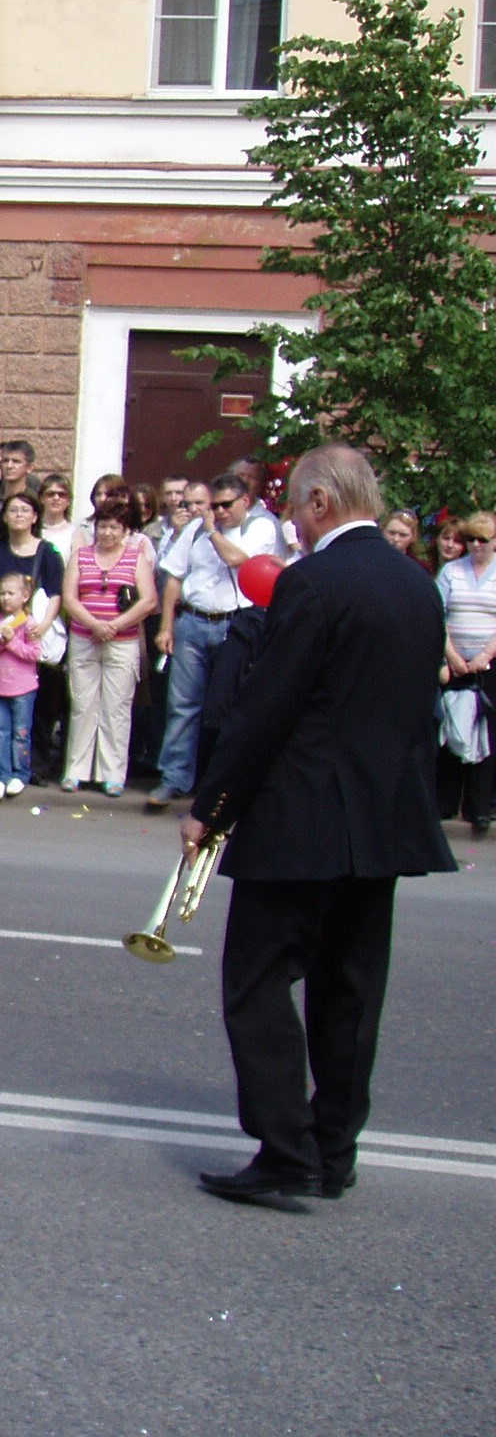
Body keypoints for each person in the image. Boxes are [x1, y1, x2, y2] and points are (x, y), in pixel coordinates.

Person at [184, 446, 453, 1204]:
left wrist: (212, 805)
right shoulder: (417, 585)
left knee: (258, 982)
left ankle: (285, 1151)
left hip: (301, 818)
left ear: (323, 503)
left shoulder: (314, 583)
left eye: (297, 510)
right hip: (383, 820)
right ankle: (334, 1150)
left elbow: (270, 705)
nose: (293, 529)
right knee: (350, 993)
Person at [149, 469, 282, 811]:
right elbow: (175, 577)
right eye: (216, 506)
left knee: (229, 708)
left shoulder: (260, 527)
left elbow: (236, 558)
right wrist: (166, 626)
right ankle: (174, 778)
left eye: (226, 506)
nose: (220, 513)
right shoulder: (194, 530)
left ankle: (223, 784)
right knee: (183, 705)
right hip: (193, 621)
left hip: (234, 625)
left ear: (245, 502)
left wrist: (212, 532)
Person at [61, 492, 157, 795]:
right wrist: (94, 624)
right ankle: (76, 770)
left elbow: (149, 600)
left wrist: (114, 625)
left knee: (116, 708)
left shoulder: (135, 557)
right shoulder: (81, 556)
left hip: (122, 640)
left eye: (114, 527)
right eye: (102, 526)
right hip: (84, 638)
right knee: (82, 704)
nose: (107, 533)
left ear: (125, 530)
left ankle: (112, 773)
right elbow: (70, 598)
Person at [435, 511, 496, 833]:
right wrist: (452, 655)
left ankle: (479, 808)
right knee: (451, 730)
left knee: (486, 735)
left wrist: (486, 654)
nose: (475, 545)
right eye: (470, 539)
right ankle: (444, 804)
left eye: (483, 540)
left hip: (489, 663)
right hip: (456, 659)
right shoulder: (451, 571)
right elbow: (438, 612)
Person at [0, 573, 42, 798]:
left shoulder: (28, 622)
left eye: (11, 593)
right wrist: (0, 642)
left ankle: (21, 773)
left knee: (21, 733)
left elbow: (35, 653)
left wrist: (12, 642)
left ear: (25, 596)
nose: (5, 598)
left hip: (24, 688)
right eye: (2, 593)